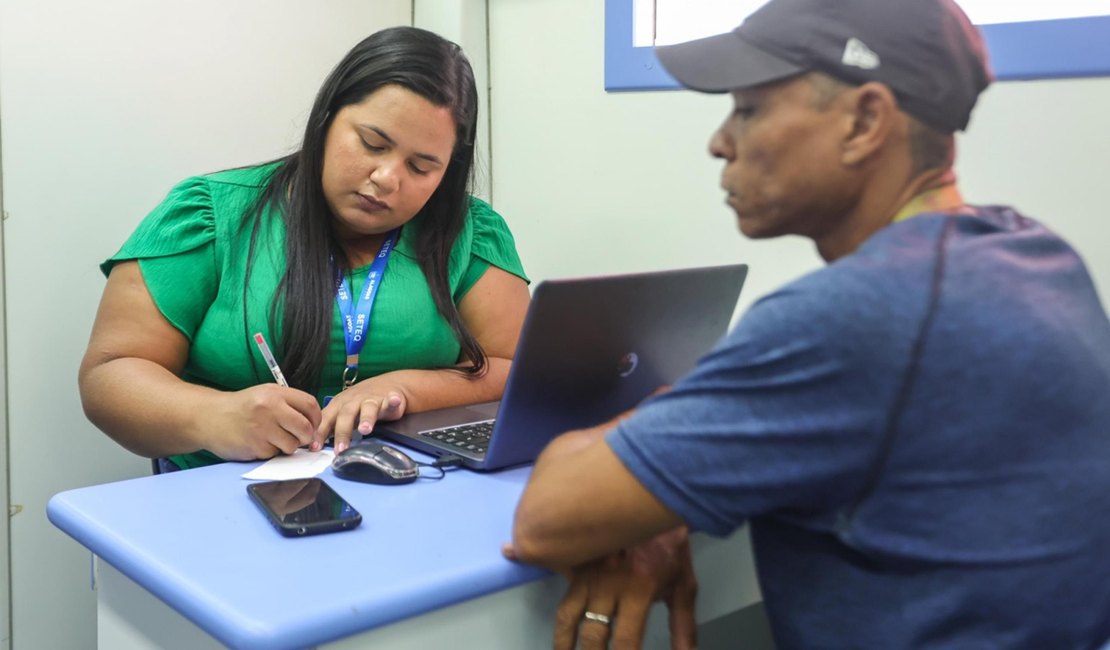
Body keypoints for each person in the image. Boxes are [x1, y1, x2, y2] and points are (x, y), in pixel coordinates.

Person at [507, 0, 1110, 648]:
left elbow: (547, 517)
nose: (720, 142)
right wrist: (672, 478)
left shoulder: (858, 314)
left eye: (749, 109)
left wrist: (662, 442)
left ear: (865, 121)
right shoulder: (1035, 254)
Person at [79, 26, 530, 471]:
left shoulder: (470, 231)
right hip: (216, 496)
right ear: (326, 117)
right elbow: (110, 375)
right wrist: (213, 417)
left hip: (413, 490)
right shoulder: (211, 214)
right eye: (372, 143)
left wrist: (406, 388)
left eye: (421, 167)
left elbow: (516, 367)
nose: (388, 179)